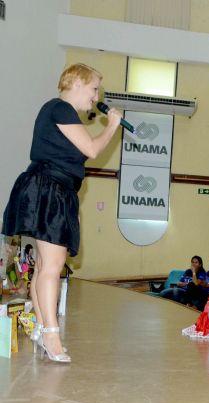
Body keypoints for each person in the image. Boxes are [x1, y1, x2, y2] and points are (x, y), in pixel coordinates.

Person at [2, 63, 122, 363]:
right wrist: (111, 126)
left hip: (57, 189)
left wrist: (73, 206)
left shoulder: (57, 111)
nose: (95, 98)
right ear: (78, 83)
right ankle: (52, 335)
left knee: (45, 266)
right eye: (94, 89)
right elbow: (91, 150)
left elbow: (72, 164)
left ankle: (42, 329)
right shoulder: (60, 107)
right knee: (52, 268)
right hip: (49, 187)